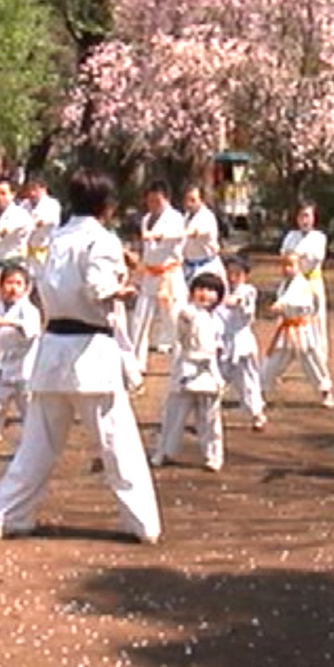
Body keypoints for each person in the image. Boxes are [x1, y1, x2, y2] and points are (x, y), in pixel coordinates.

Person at [0, 168, 161, 544]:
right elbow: (98, 287)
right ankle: (142, 524)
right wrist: (123, 291)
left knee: (37, 445)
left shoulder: (56, 238)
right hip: (90, 351)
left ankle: (5, 516)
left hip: (53, 350)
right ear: (107, 205)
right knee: (118, 446)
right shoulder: (102, 240)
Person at [151, 272, 228, 472]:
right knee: (173, 416)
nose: (205, 294)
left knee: (209, 420)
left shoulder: (217, 319)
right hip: (185, 371)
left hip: (208, 374)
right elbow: (177, 315)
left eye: (211, 290)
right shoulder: (187, 312)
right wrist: (167, 290)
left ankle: (213, 456)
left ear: (219, 296)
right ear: (192, 292)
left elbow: (217, 347)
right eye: (201, 289)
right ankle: (164, 451)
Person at [0, 265, 42, 465]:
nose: (13, 288)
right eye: (9, 283)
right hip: (2, 369)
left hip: (25, 371)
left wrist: (12, 323)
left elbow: (31, 332)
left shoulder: (30, 311)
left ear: (26, 288)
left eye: (18, 283)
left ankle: (34, 450)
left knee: (29, 412)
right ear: (0, 287)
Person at [259, 253, 334, 408]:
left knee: (312, 359)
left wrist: (282, 305)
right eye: (284, 266)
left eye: (291, 265)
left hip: (302, 330)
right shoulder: (284, 284)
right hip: (287, 328)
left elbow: (299, 301)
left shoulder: (303, 284)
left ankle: (325, 391)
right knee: (274, 360)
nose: (287, 269)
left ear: (299, 267)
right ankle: (260, 391)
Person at [129, 181, 187, 362]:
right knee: (139, 320)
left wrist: (159, 235)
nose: (153, 205)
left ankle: (182, 363)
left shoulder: (176, 217)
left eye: (157, 201)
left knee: (173, 320)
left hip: (168, 275)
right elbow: (146, 250)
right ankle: (137, 365)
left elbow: (179, 235)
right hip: (149, 274)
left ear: (166, 199)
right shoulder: (146, 219)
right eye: (150, 201)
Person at [280, 201, 330, 380]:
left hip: (312, 282)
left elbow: (316, 256)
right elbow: (284, 254)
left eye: (308, 215)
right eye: (302, 216)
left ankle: (321, 363)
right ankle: (282, 363)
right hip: (293, 281)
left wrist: (297, 255)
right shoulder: (291, 235)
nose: (305, 220)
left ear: (314, 218)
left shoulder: (319, 237)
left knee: (316, 322)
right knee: (288, 320)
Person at [221, 254, 266, 431]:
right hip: (223, 342)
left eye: (237, 273)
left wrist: (225, 301)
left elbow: (236, 301)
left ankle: (257, 414)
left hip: (242, 342)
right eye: (229, 273)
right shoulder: (223, 289)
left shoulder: (248, 290)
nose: (232, 277)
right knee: (216, 380)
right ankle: (209, 417)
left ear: (245, 274)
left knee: (247, 381)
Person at [0, 179, 34, 292]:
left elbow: (9, 230)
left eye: (3, 193)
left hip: (13, 269)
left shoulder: (21, 214)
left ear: (12, 195)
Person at [180, 184, 226, 283]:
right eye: (186, 200)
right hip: (188, 266)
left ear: (201, 200)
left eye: (193, 200)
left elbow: (195, 232)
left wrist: (177, 233)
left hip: (206, 267)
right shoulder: (186, 217)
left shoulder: (207, 217)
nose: (189, 204)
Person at [22, 173, 62, 270]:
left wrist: (32, 225)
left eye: (35, 189)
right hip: (27, 253)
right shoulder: (24, 204)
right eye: (29, 189)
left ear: (43, 189)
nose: (32, 193)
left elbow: (44, 221)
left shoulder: (52, 204)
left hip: (45, 253)